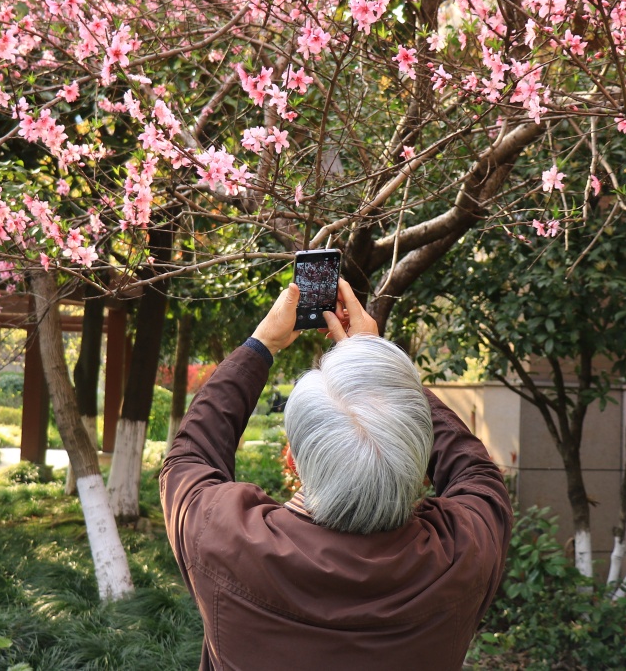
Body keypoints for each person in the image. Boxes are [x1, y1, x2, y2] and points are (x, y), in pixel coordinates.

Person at [160, 279, 513, 670]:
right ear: (419, 458)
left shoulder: (222, 537)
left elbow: (191, 455)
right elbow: (476, 471)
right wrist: (376, 365)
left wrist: (262, 344)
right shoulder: (464, 553)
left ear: (291, 459)